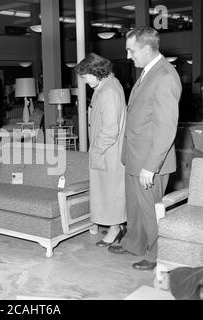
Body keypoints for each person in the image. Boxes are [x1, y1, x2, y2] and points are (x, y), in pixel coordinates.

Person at [108, 27, 182, 271]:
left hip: (150, 161)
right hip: (135, 155)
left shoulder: (165, 76)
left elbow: (165, 127)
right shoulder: (148, 72)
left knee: (151, 210)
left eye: (131, 50)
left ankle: (156, 254)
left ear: (147, 48)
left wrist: (151, 166)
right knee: (135, 208)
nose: (129, 56)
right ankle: (135, 243)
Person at [76, 53, 127, 246]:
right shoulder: (107, 87)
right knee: (107, 191)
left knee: (110, 191)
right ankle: (115, 225)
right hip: (107, 151)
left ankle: (115, 228)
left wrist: (95, 150)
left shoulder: (108, 92)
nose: (84, 80)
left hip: (108, 152)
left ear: (96, 71)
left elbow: (110, 130)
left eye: (85, 76)